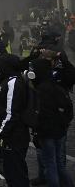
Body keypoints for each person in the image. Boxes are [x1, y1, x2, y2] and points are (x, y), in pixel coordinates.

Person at [32, 57, 75, 187]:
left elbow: (40, 115)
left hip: (47, 133)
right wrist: (64, 125)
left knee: (50, 165)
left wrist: (37, 131)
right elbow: (68, 109)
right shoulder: (57, 86)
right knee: (59, 164)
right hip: (59, 131)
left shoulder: (40, 90)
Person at [0, 54, 30, 187]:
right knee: (13, 169)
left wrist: (1, 134)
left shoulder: (13, 82)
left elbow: (11, 113)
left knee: (15, 171)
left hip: (14, 135)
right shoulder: (13, 79)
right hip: (14, 133)